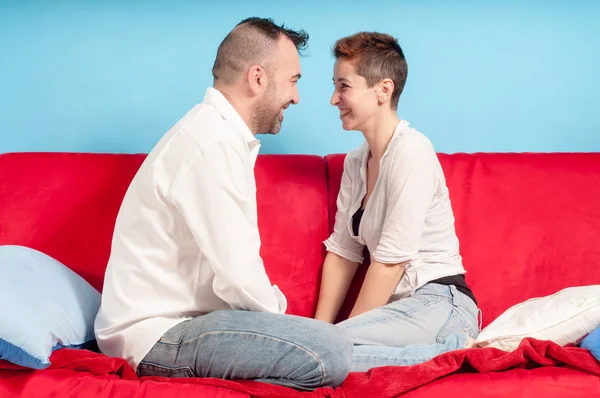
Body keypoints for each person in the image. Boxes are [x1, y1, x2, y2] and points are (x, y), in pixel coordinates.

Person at [94, 17, 352, 391]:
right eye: (293, 81)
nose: (296, 97)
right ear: (258, 78)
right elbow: (239, 276)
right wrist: (287, 329)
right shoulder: (210, 143)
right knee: (328, 351)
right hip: (157, 336)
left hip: (187, 325)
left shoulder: (218, 135)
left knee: (330, 344)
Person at [315, 31, 481, 372]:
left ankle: (458, 349)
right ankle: (448, 355)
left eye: (343, 86)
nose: (334, 99)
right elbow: (343, 253)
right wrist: (317, 332)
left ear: (383, 90)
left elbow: (391, 263)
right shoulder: (356, 162)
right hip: (397, 317)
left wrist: (332, 341)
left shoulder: (412, 151)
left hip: (440, 303)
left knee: (321, 357)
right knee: (314, 352)